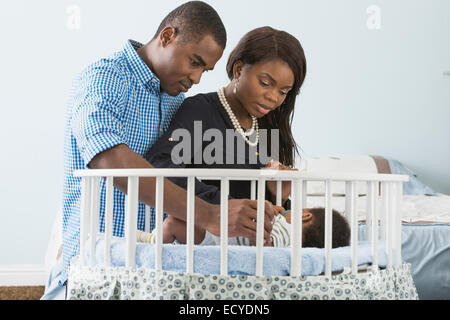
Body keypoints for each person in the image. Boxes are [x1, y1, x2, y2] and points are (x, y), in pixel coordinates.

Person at [42, 1, 276, 300]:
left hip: (152, 273)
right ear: (166, 37)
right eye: (194, 62)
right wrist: (209, 214)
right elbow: (110, 161)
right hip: (96, 266)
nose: (197, 79)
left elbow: (191, 177)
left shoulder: (178, 103)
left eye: (205, 70)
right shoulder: (104, 78)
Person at [144, 26, 308, 247]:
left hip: (248, 252)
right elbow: (160, 165)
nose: (273, 98)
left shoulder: (269, 127)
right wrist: (222, 207)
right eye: (265, 83)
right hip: (201, 247)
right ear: (239, 70)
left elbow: (273, 217)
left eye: (283, 91)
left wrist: (279, 196)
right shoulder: (201, 111)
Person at [137, 207, 351, 249]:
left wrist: (265, 214)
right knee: (176, 223)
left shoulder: (287, 228)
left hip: (218, 238)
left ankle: (152, 243)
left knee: (173, 223)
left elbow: (267, 241)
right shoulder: (290, 238)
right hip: (218, 235)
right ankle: (157, 238)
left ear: (305, 216)